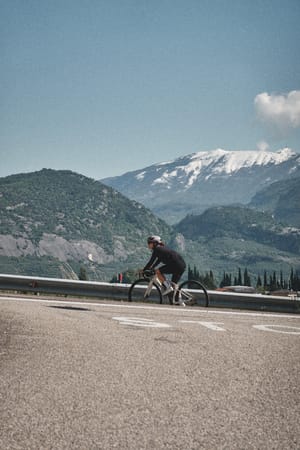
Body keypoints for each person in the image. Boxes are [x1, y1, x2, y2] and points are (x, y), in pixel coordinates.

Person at [143, 235, 186, 305]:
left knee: (157, 271)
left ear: (154, 243)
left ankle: (168, 287)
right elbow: (158, 261)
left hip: (175, 265)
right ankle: (180, 303)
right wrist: (152, 268)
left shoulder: (157, 250)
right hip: (181, 265)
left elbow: (151, 261)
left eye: (149, 243)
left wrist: (144, 270)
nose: (148, 244)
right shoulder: (161, 249)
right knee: (174, 287)